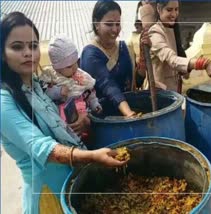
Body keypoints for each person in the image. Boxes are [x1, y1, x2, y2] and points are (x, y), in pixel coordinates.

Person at [0, 12, 127, 214]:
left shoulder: (38, 87)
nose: (28, 53)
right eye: (17, 47)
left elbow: (60, 125)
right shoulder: (4, 101)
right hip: (46, 196)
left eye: (33, 46)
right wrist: (92, 156)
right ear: (2, 53)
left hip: (69, 187)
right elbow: (42, 147)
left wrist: (83, 121)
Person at [80, 0, 149, 117]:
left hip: (129, 115)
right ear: (96, 24)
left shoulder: (124, 48)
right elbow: (109, 86)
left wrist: (143, 56)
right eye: (109, 24)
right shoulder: (90, 54)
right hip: (105, 121)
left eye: (117, 24)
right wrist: (129, 114)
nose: (115, 29)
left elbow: (136, 82)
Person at [148, 0, 211, 93]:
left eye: (176, 9)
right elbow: (172, 59)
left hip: (174, 90)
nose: (174, 14)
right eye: (169, 10)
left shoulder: (172, 29)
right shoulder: (155, 32)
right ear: (159, 9)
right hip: (160, 94)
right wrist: (204, 64)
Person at [40, 34, 102, 124]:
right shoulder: (51, 76)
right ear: (57, 68)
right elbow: (43, 93)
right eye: (69, 66)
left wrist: (94, 103)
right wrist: (58, 92)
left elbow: (89, 92)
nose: (75, 68)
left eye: (76, 62)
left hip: (83, 112)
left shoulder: (80, 76)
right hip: (61, 118)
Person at [126, 20, 145, 88]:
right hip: (138, 63)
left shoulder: (145, 35)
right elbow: (129, 49)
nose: (137, 28)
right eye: (136, 27)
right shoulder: (132, 37)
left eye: (139, 26)